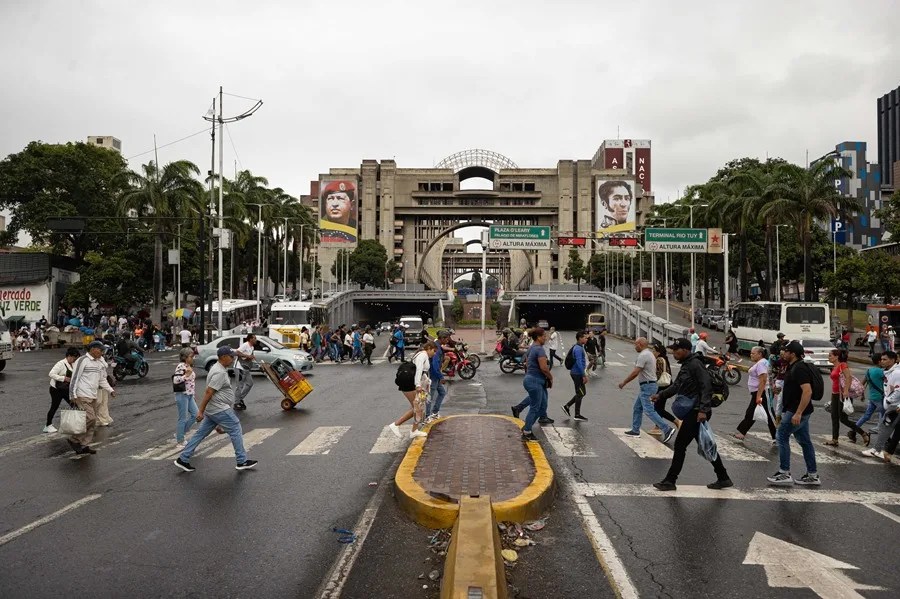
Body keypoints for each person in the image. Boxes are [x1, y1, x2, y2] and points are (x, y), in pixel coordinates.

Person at [651, 338, 732, 491]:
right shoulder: (687, 365)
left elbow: (706, 387)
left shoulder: (695, 365)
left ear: (686, 350)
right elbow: (677, 386)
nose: (674, 353)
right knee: (705, 444)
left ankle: (670, 480)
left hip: (696, 412)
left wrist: (703, 410)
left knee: (680, 445)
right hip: (693, 411)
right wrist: (661, 396)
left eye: (677, 350)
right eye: (673, 350)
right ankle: (723, 477)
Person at [174, 346, 258, 472]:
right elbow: (209, 392)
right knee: (235, 427)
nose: (232, 359)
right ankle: (241, 460)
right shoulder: (219, 372)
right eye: (231, 356)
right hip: (219, 408)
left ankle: (183, 458)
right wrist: (201, 411)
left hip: (214, 409)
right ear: (223, 357)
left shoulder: (218, 368)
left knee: (200, 433)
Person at [766, 341, 820, 486]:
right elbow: (794, 388)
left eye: (786, 351)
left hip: (796, 411)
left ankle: (784, 472)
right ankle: (812, 475)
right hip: (797, 410)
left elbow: (807, 391)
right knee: (805, 442)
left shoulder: (799, 368)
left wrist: (798, 413)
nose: (783, 353)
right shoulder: (793, 367)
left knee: (781, 436)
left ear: (793, 354)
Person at [619, 337, 676, 443]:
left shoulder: (644, 355)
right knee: (637, 408)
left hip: (648, 386)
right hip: (648, 385)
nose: (634, 347)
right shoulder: (649, 353)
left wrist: (624, 382)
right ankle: (635, 430)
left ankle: (667, 429)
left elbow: (636, 372)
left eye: (635, 344)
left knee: (648, 410)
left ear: (640, 344)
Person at [67, 341, 116, 455]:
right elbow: (75, 378)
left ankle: (84, 445)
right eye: (100, 350)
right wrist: (72, 395)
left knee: (92, 423)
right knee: (91, 418)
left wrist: (111, 390)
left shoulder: (98, 362)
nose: (102, 353)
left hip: (93, 395)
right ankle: (74, 439)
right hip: (82, 395)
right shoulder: (83, 360)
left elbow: (102, 379)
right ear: (93, 349)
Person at [388, 341, 435, 439]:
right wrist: (418, 385)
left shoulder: (422, 354)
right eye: (434, 351)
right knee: (417, 407)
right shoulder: (423, 355)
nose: (434, 354)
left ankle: (414, 430)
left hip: (413, 383)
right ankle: (396, 425)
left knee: (418, 407)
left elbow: (422, 372)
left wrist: (425, 382)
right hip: (411, 384)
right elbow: (418, 370)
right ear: (429, 348)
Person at [824, 348, 868, 447]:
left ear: (836, 356)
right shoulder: (834, 367)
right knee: (834, 417)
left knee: (843, 419)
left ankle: (863, 433)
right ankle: (834, 439)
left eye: (830, 355)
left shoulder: (842, 365)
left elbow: (849, 377)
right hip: (835, 394)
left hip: (842, 394)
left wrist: (846, 391)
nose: (829, 357)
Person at [734, 346, 776, 443]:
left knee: (769, 414)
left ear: (760, 354)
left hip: (762, 392)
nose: (751, 355)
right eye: (751, 353)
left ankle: (778, 436)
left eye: (753, 353)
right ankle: (742, 432)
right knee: (751, 412)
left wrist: (758, 396)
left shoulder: (761, 363)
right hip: (760, 392)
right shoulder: (763, 362)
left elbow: (763, 379)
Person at [863, 351, 900, 459]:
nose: (882, 361)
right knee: (888, 427)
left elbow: (898, 391)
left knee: (885, 426)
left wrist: (888, 401)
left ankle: (876, 450)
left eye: (885, 359)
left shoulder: (896, 373)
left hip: (895, 405)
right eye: (881, 359)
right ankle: (881, 451)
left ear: (893, 360)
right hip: (894, 404)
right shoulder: (888, 372)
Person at [518, 328, 553, 441]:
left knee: (542, 407)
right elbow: (544, 367)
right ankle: (527, 431)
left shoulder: (532, 348)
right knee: (535, 407)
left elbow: (527, 364)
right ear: (538, 337)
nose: (545, 338)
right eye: (544, 336)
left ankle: (527, 427)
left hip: (532, 380)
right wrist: (550, 377)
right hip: (535, 381)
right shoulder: (539, 349)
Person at [851, 354, 885, 444]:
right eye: (882, 360)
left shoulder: (869, 370)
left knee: (866, 415)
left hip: (872, 397)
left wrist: (862, 395)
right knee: (883, 415)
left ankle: (854, 429)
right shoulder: (882, 372)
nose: (883, 361)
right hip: (880, 398)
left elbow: (862, 384)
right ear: (879, 361)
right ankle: (882, 436)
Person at [45, 348, 79, 432]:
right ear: (69, 356)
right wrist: (63, 378)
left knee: (75, 405)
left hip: (66, 389)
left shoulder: (73, 364)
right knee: (54, 406)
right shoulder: (60, 364)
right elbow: (51, 374)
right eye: (74, 358)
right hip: (56, 389)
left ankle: (77, 423)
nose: (75, 360)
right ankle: (48, 425)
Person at [649, 342, 678, 433]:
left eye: (654, 351)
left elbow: (657, 374)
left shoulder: (659, 360)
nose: (652, 353)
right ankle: (657, 427)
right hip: (667, 385)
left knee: (658, 408)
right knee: (659, 407)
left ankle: (676, 421)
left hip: (662, 386)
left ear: (658, 352)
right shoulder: (664, 359)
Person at [173, 348, 199, 448]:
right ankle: (180, 440)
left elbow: (191, 383)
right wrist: (186, 375)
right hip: (182, 394)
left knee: (196, 415)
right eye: (191, 357)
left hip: (189, 395)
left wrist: (193, 395)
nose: (193, 358)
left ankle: (180, 432)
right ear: (185, 357)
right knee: (182, 418)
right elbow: (176, 380)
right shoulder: (181, 366)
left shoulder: (188, 366)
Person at [562, 331, 588, 422]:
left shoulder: (579, 347)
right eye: (585, 337)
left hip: (577, 373)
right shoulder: (578, 349)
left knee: (581, 393)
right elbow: (579, 362)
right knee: (580, 393)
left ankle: (567, 406)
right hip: (577, 374)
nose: (586, 339)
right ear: (580, 338)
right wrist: (584, 375)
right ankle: (577, 414)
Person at [234, 333, 257, 411]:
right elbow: (237, 352)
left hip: (245, 368)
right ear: (250, 339)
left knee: (250, 383)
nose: (255, 340)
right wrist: (248, 356)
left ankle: (240, 398)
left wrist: (251, 357)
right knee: (239, 386)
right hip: (239, 367)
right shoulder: (245, 345)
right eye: (254, 338)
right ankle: (236, 403)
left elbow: (249, 357)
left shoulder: (252, 347)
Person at [426, 335, 447, 421]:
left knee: (442, 392)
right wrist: (440, 376)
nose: (447, 340)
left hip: (435, 375)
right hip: (434, 376)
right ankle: (427, 416)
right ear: (441, 338)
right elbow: (434, 365)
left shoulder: (438, 346)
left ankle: (434, 412)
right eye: (446, 338)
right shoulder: (436, 348)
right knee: (430, 397)